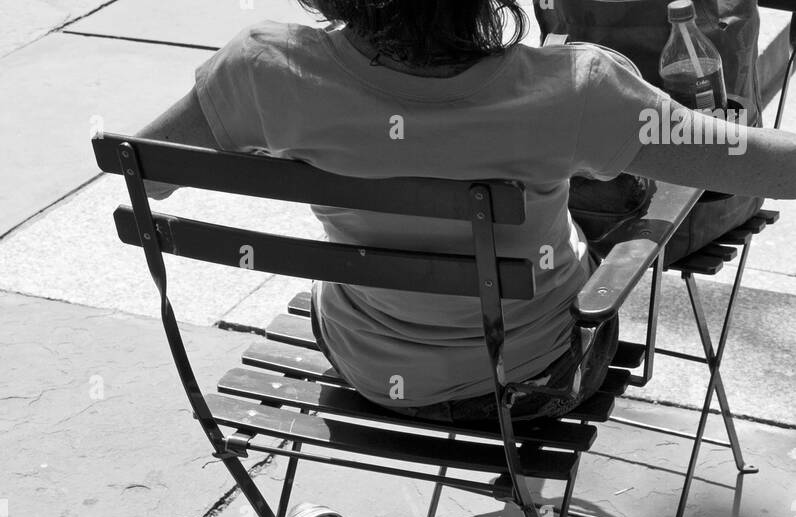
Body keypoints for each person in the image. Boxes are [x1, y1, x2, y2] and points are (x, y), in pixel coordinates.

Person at [136, 1, 796, 425]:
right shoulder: (576, 86)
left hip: (365, 366)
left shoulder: (262, 64)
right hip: (533, 382)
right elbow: (759, 164)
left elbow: (150, 173)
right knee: (621, 190)